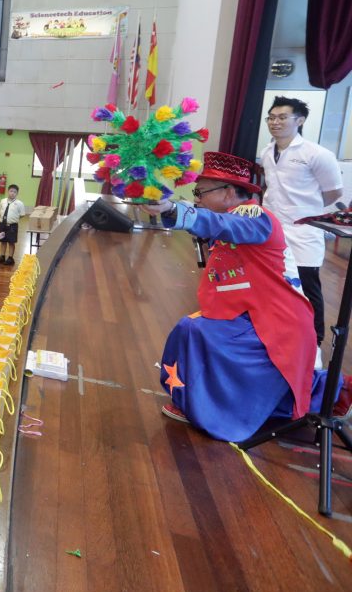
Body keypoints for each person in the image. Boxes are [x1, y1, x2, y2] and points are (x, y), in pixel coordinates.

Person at [144, 152, 348, 441]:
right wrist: (167, 206)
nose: (197, 198)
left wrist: (174, 210)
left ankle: (204, 405)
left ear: (228, 192)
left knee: (193, 329)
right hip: (253, 312)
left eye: (201, 192)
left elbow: (221, 226)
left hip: (277, 321)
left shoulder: (255, 217)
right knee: (197, 328)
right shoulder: (232, 213)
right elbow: (210, 221)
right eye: (196, 192)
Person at [258, 96, 343, 343]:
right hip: (272, 227)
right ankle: (278, 329)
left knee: (307, 285)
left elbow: (334, 192)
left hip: (303, 230)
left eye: (282, 117)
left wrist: (306, 210)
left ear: (300, 120)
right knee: (273, 280)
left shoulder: (316, 154)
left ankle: (314, 339)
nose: (275, 122)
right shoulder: (266, 151)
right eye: (271, 117)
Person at [0, 184, 24, 266]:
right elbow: (0, 210)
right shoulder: (3, 201)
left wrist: (13, 220)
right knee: (3, 241)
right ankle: (2, 256)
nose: (12, 193)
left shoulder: (19, 203)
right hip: (2, 224)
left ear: (17, 193)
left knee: (11, 242)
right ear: (8, 191)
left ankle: (10, 258)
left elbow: (22, 215)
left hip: (12, 226)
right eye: (11, 191)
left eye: (15, 192)